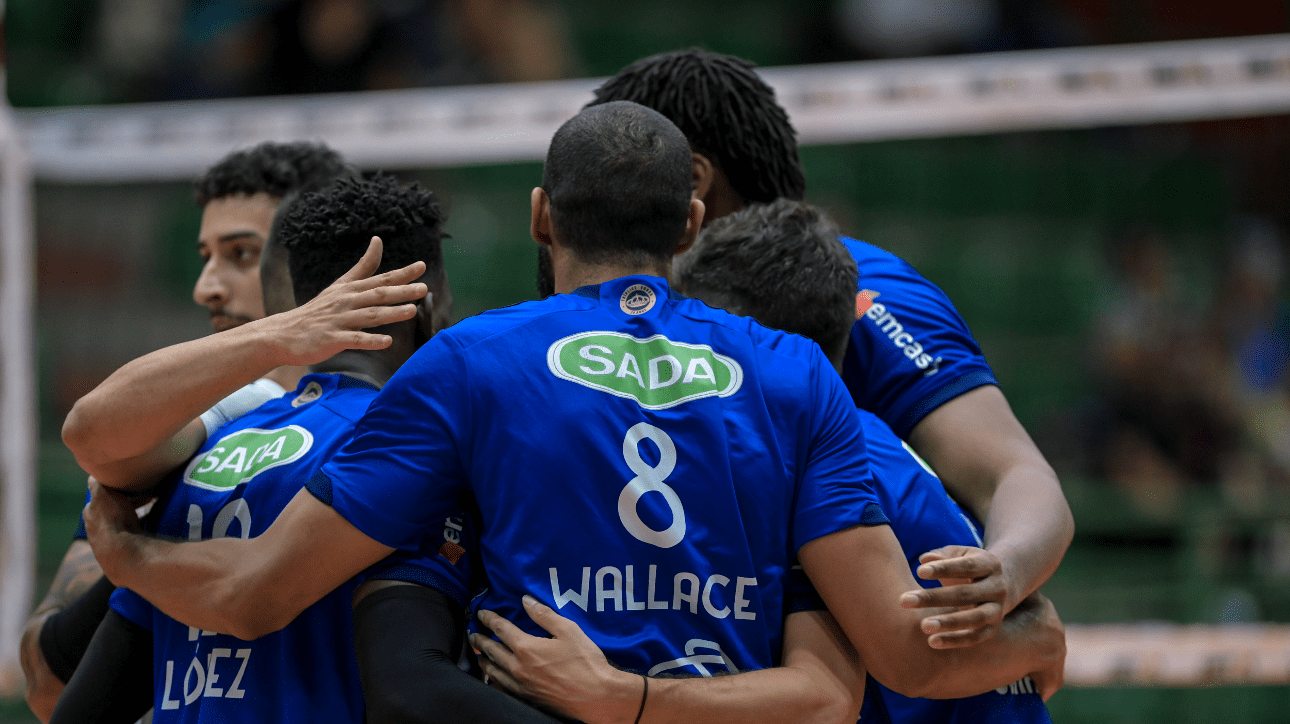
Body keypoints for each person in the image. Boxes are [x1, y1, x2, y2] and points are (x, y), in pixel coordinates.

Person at [85, 102, 1063, 723]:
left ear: (542, 216)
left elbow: (258, 592)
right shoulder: (798, 372)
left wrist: (130, 556)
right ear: (689, 223)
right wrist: (1040, 644)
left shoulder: (472, 362)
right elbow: (897, 660)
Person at [480, 200, 1058, 722]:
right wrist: (1036, 635)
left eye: (695, 322)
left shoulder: (803, 458)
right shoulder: (865, 439)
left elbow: (855, 686)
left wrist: (622, 697)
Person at [584, 49, 1074, 648]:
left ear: (692, 184)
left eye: (613, 178)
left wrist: (1008, 574)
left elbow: (1012, 474)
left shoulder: (861, 290)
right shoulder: (637, 308)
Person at [50, 175, 461, 723]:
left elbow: (80, 710)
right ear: (429, 308)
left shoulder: (211, 444)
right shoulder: (405, 442)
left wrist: (127, 557)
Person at [21, 141, 352, 721]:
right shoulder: (168, 435)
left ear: (317, 260)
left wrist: (137, 556)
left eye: (242, 254)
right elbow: (46, 681)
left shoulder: (391, 422)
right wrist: (153, 537)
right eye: (205, 256)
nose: (207, 287)